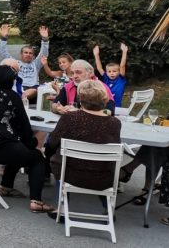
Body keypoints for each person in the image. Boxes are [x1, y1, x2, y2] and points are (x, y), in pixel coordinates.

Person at [0, 65, 54, 213]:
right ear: (11, 81)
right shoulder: (12, 96)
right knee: (36, 157)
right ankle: (36, 201)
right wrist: (34, 145)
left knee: (18, 147)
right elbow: (24, 127)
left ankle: (6, 187)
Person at [44, 79, 121, 215]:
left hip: (69, 174)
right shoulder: (115, 123)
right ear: (104, 99)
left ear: (81, 99)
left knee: (60, 157)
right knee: (102, 163)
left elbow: (52, 142)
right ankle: (108, 209)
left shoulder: (70, 118)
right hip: (103, 177)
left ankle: (61, 208)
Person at [0, 24, 50, 102]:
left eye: (30, 53)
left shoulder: (36, 64)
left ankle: (18, 99)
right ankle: (19, 98)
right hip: (18, 87)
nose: (28, 55)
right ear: (21, 54)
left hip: (32, 89)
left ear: (33, 56)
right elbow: (3, 53)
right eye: (26, 52)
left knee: (34, 90)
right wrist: (3, 38)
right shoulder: (15, 63)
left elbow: (44, 53)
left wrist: (45, 39)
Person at [51, 60, 116, 116]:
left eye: (78, 72)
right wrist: (58, 108)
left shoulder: (101, 87)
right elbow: (54, 105)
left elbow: (109, 111)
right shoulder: (68, 86)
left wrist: (81, 113)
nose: (74, 76)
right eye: (72, 73)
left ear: (90, 73)